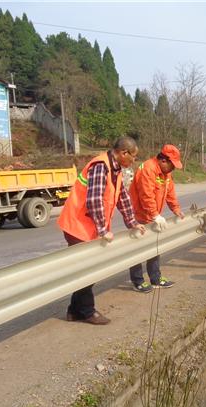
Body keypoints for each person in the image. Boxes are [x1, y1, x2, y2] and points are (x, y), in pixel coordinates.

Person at [58, 136, 146, 325]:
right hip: (77, 226)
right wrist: (102, 229)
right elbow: (94, 200)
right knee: (89, 269)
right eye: (133, 156)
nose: (134, 161)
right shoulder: (101, 166)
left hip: (87, 227)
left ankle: (74, 311)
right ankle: (88, 311)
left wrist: (132, 222)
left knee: (86, 269)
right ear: (124, 153)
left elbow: (122, 197)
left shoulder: (117, 170)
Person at [128, 144, 185, 293]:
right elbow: (146, 195)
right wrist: (155, 215)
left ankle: (155, 278)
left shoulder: (165, 173)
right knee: (138, 248)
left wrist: (176, 209)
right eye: (172, 165)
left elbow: (170, 192)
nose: (173, 169)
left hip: (152, 215)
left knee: (155, 246)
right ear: (164, 160)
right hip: (138, 215)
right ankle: (138, 281)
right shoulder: (148, 168)